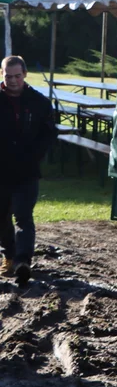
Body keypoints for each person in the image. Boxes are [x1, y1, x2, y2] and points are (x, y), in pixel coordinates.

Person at [1, 55, 57, 282]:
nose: (13, 80)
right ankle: (10, 255)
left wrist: (35, 156)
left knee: (23, 216)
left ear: (24, 74)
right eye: (8, 76)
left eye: (17, 76)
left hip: (27, 170)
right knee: (1, 217)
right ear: (2, 75)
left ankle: (23, 261)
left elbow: (49, 133)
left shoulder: (39, 103)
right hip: (1, 170)